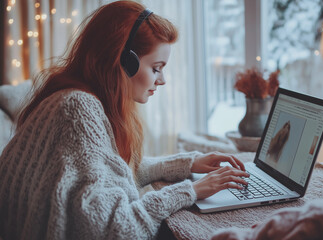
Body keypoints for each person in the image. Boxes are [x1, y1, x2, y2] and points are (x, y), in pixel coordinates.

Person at [0, 1, 249, 239]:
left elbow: (110, 173)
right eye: (156, 68)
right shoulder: (78, 109)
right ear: (124, 62)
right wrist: (191, 190)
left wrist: (189, 164)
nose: (161, 80)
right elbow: (116, 230)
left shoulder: (74, 98)